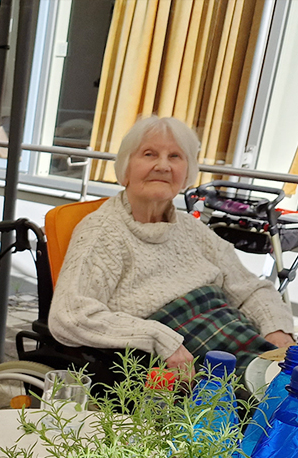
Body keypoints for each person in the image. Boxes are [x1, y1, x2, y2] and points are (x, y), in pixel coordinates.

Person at [49, 116, 294, 375]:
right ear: (125, 169)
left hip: (233, 337)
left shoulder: (191, 229)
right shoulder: (102, 231)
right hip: (179, 356)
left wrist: (276, 328)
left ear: (186, 173)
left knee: (286, 382)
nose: (163, 166)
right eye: (149, 154)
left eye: (175, 156)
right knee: (274, 404)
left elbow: (249, 288)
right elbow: (70, 316)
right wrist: (159, 338)